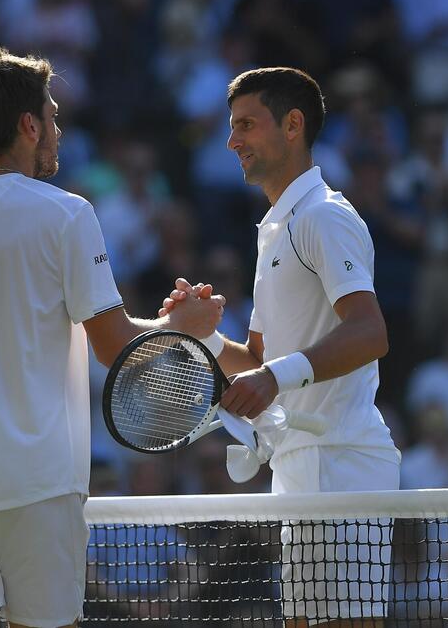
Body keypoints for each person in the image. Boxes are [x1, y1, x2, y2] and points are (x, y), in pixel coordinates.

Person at [0, 47, 223, 628]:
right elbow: (114, 346)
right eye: (51, 116)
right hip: (37, 486)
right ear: (28, 126)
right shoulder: (69, 215)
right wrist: (183, 328)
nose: (57, 128)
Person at [161, 66, 400, 628]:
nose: (232, 140)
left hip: (343, 463)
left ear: (293, 125)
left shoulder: (324, 216)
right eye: (231, 126)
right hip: (297, 467)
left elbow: (371, 333)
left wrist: (274, 378)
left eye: (246, 124)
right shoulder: (275, 227)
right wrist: (207, 337)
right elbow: (261, 364)